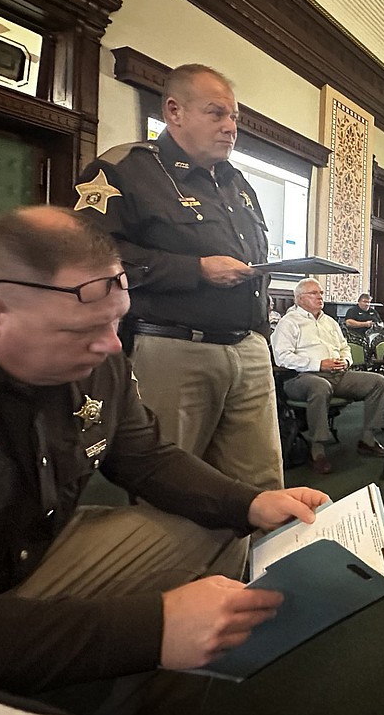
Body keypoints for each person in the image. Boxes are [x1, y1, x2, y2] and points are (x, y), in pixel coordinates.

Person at [0, 207, 329, 710]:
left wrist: (252, 502)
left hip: (33, 547)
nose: (112, 346)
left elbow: (144, 456)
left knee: (224, 527)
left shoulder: (98, 342)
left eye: (118, 320)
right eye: (83, 331)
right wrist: (151, 629)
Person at [72, 63, 282, 494]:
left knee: (261, 487)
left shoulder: (238, 184)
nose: (230, 128)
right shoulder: (124, 170)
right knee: (170, 486)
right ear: (174, 111)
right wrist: (196, 269)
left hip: (249, 349)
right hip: (173, 349)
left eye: (235, 118)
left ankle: (252, 564)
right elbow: (89, 259)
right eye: (216, 114)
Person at [271, 278, 384, 475]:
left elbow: (345, 347)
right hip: (300, 377)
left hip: (337, 374)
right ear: (299, 298)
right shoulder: (289, 323)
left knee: (378, 381)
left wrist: (346, 361)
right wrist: (318, 364)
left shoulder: (330, 322)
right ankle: (317, 450)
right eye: (314, 293)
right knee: (320, 386)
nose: (320, 297)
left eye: (321, 293)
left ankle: (368, 438)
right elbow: (282, 358)